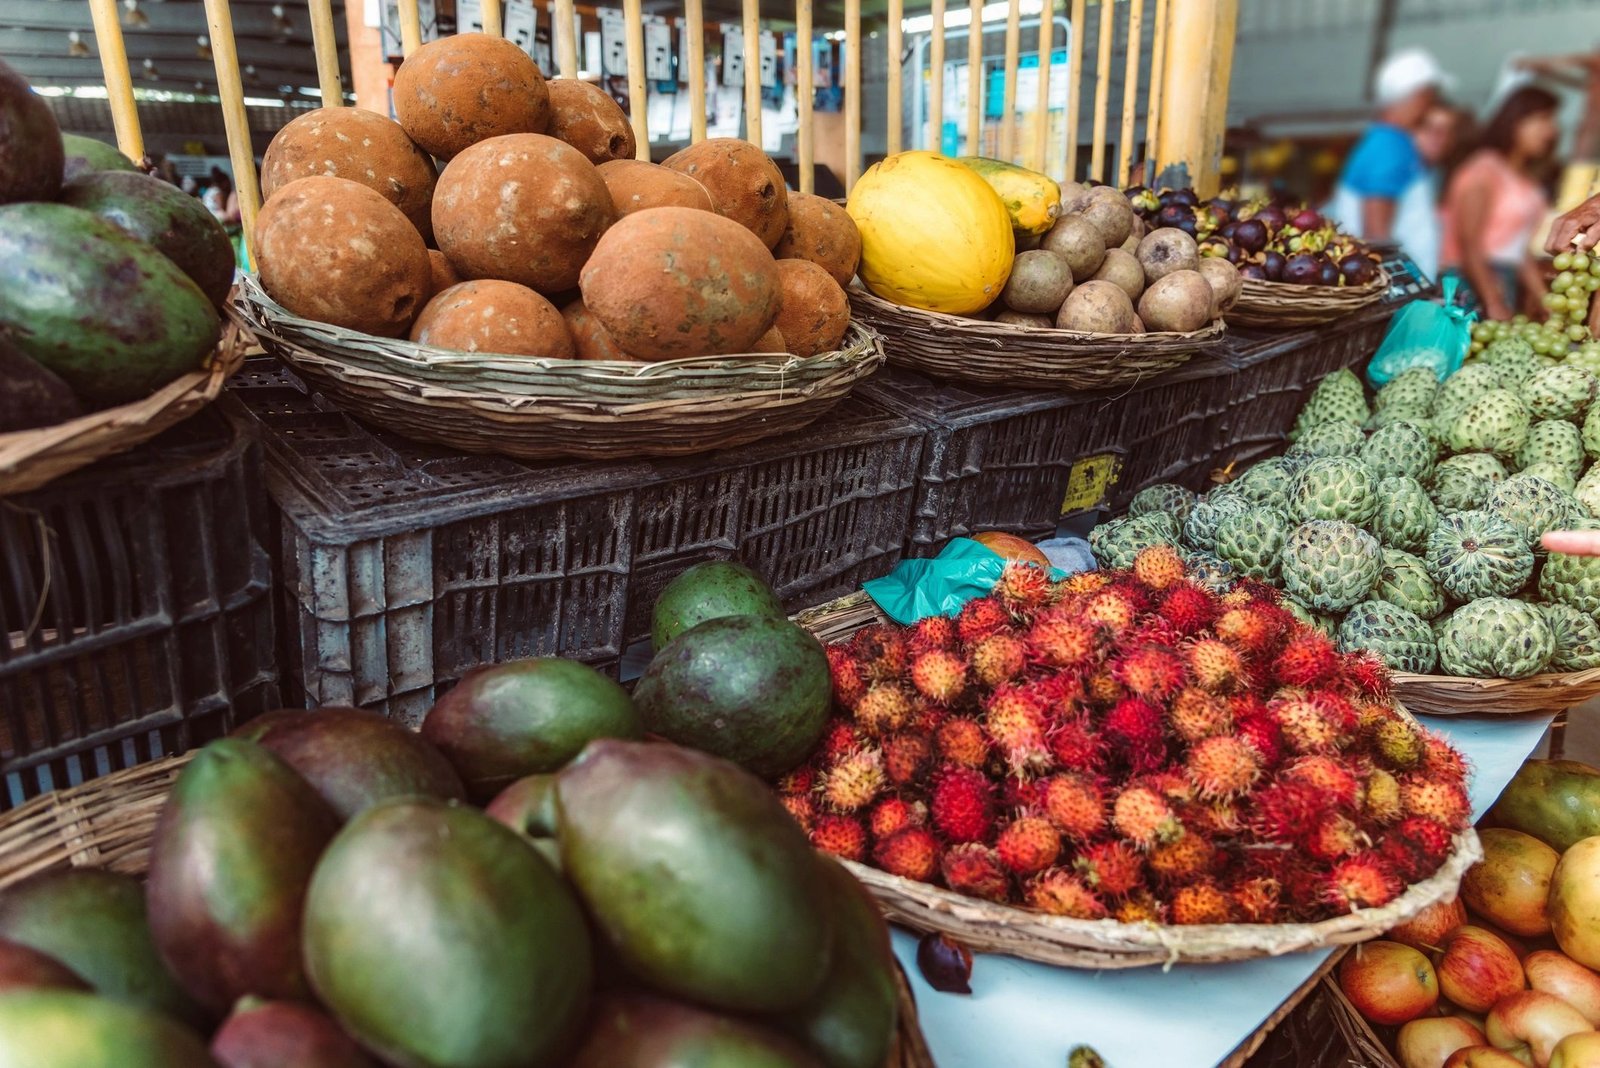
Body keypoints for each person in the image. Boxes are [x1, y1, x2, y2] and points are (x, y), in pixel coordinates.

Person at [1327, 48, 1455, 281]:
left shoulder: (1389, 142)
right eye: (1431, 96)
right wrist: (1400, 289)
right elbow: (1376, 234)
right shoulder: (1390, 146)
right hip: (1395, 299)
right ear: (1420, 95)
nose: (1431, 105)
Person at [1438, 86, 1561, 321]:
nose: (1551, 130)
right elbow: (1469, 242)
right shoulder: (1483, 169)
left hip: (1504, 282)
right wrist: (1492, 300)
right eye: (1543, 119)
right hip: (1470, 284)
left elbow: (1518, 248)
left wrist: (1544, 299)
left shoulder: (1525, 178)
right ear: (1515, 121)